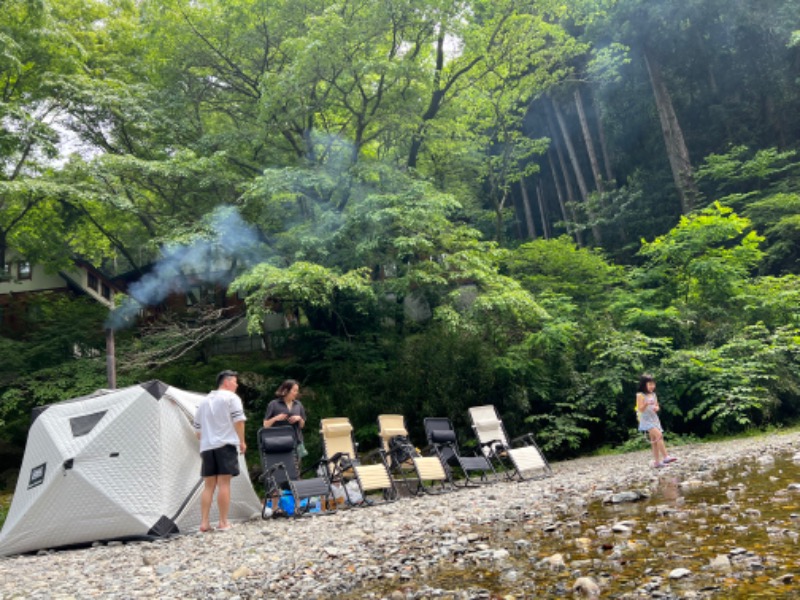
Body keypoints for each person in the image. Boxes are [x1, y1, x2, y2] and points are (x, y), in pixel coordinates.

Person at [193, 369, 247, 532]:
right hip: (225, 444)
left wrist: (208, 438)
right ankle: (223, 522)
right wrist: (242, 441)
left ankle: (204, 523)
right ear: (227, 382)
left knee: (208, 485)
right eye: (235, 382)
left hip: (207, 446)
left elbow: (197, 431)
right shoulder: (231, 398)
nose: (237, 385)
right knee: (224, 482)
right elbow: (239, 421)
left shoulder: (204, 401)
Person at [263, 379, 307, 468]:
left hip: (296, 442)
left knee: (296, 468)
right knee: (281, 468)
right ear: (285, 390)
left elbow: (302, 425)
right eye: (294, 390)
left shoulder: (298, 404)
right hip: (279, 442)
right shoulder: (274, 404)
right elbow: (265, 425)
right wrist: (276, 418)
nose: (296, 393)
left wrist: (299, 418)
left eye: (297, 391)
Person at [636, 373, 677, 469]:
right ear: (644, 384)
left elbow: (657, 406)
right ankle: (666, 457)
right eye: (650, 384)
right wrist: (646, 403)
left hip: (654, 418)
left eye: (653, 384)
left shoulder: (653, 394)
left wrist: (656, 408)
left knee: (654, 441)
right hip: (646, 419)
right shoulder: (640, 395)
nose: (652, 386)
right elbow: (640, 409)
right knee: (659, 435)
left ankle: (657, 462)